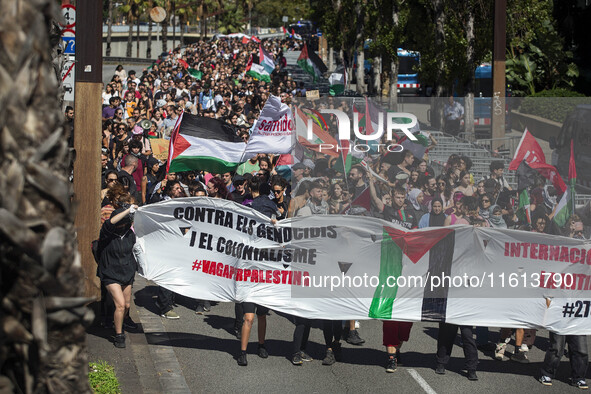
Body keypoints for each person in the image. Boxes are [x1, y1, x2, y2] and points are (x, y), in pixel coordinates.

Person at [539, 221, 589, 388]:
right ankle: (547, 373)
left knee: (580, 347)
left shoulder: (584, 248)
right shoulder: (557, 254)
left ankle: (579, 376)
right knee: (556, 346)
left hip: (578, 308)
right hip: (560, 306)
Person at [237, 177, 272, 366]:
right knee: (248, 317)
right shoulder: (245, 238)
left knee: (261, 315)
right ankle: (242, 352)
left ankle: (261, 345)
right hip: (249, 280)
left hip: (264, 279)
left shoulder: (270, 240)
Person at [96, 193, 138, 348]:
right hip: (110, 271)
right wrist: (127, 210)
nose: (121, 225)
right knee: (120, 304)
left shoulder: (129, 234)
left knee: (126, 305)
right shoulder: (107, 233)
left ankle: (120, 321)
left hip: (126, 270)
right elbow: (110, 223)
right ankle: (119, 335)